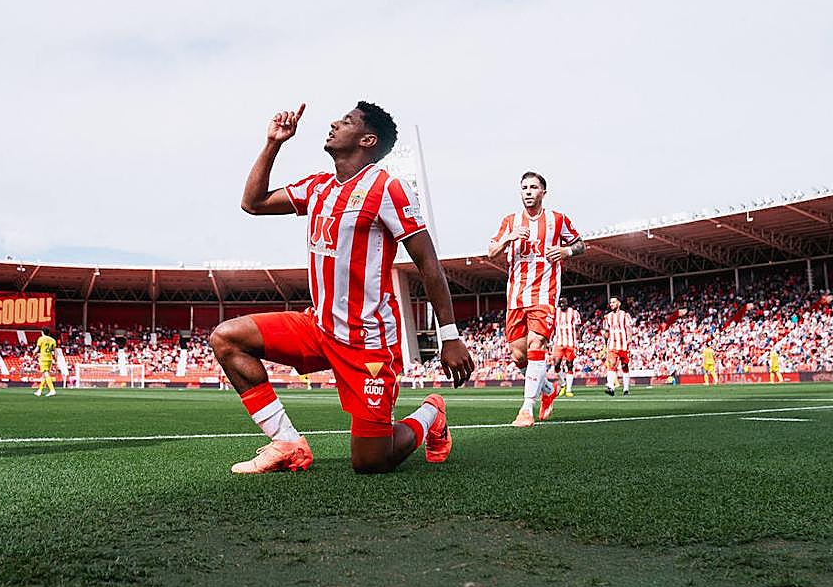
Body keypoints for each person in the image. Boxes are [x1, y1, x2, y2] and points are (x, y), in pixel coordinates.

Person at [211, 102, 475, 474]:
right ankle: (287, 442)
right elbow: (252, 203)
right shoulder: (318, 186)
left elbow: (428, 265)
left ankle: (431, 412)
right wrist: (273, 144)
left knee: (371, 462)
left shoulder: (388, 189)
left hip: (366, 341)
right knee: (227, 338)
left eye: (347, 121)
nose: (334, 123)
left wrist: (450, 336)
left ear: (368, 140)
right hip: (317, 327)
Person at [487, 172, 584, 427]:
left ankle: (526, 408)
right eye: (524, 188)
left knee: (537, 342)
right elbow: (491, 251)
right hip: (516, 297)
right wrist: (508, 238)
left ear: (543, 192)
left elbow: (580, 244)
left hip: (544, 294)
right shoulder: (510, 221)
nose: (528, 191)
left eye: (533, 187)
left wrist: (565, 250)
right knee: (519, 356)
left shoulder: (557, 219)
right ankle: (548, 389)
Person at [603, 296, 633, 395]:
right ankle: (611, 387)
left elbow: (629, 329)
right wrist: (605, 343)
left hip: (624, 345)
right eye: (610, 303)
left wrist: (629, 341)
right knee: (611, 365)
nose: (611, 304)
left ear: (619, 303)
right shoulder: (607, 317)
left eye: (613, 302)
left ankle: (626, 389)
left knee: (625, 366)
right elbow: (606, 331)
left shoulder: (625, 315)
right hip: (612, 345)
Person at [552, 296, 580, 397]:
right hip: (559, 343)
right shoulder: (556, 313)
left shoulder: (574, 313)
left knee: (569, 365)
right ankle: (563, 384)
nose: (562, 304)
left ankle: (568, 389)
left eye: (564, 302)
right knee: (556, 365)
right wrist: (551, 339)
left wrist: (579, 341)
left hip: (570, 343)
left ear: (567, 303)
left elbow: (577, 328)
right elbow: (554, 328)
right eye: (560, 303)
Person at [34, 331, 58, 396]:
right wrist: (56, 359)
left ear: (42, 332)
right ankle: (40, 390)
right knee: (45, 375)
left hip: (43, 358)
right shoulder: (53, 340)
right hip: (50, 359)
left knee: (46, 374)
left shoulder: (41, 339)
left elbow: (37, 348)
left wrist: (34, 354)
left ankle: (52, 390)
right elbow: (55, 351)